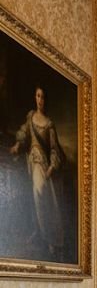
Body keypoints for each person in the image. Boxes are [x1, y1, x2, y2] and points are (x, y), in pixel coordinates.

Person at [10, 85, 66, 260]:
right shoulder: (31, 116)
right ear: (35, 97)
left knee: (42, 195)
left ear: (46, 100)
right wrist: (17, 145)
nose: (40, 100)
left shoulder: (49, 124)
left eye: (42, 97)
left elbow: (54, 149)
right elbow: (23, 133)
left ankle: (50, 238)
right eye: (38, 96)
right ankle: (38, 232)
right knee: (33, 198)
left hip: (42, 166)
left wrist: (51, 167)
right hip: (30, 163)